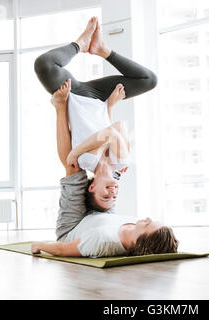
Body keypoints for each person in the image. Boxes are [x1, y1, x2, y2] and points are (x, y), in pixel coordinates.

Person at [30, 72, 178, 258]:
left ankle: (59, 106)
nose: (146, 218)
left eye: (147, 225)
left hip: (73, 227)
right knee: (108, 172)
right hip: (104, 211)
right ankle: (100, 177)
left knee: (73, 167)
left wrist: (39, 245)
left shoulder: (103, 241)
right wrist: (108, 106)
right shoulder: (134, 223)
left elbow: (62, 249)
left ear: (136, 240)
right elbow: (112, 132)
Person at [34, 16, 157, 212]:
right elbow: (115, 128)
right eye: (114, 197)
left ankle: (79, 44)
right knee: (149, 80)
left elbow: (107, 134)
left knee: (44, 65)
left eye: (105, 196)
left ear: (92, 187)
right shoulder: (121, 163)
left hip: (72, 95)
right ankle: (102, 49)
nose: (112, 192)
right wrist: (109, 106)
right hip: (101, 99)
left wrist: (62, 105)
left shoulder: (83, 162)